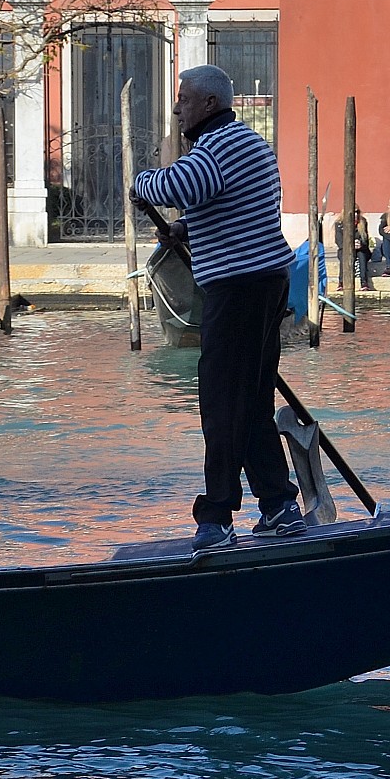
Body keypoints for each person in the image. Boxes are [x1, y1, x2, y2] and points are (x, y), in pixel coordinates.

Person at [130, 63, 302, 552]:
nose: (177, 106)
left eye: (183, 98)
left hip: (239, 289)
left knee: (222, 404)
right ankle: (279, 505)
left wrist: (141, 181)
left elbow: (175, 187)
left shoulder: (215, 148)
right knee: (251, 401)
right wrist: (189, 229)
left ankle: (217, 516)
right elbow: (233, 204)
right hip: (269, 283)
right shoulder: (251, 144)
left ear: (208, 104)